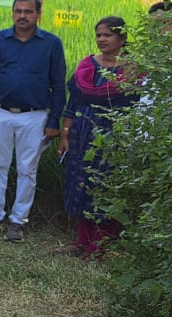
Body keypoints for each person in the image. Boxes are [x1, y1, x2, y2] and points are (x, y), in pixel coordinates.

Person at [0, 0, 67, 243]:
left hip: (34, 117)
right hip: (0, 112)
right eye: (18, 11)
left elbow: (58, 85)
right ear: (12, 13)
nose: (22, 16)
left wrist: (53, 122)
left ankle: (18, 220)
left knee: (27, 170)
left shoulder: (51, 44)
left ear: (38, 14)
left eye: (28, 11)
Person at [56, 16, 137, 257]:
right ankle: (81, 241)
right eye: (98, 35)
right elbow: (73, 104)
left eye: (107, 35)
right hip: (82, 135)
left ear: (121, 39)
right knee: (80, 184)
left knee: (105, 187)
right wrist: (65, 134)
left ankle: (100, 246)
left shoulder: (132, 71)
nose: (101, 39)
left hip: (114, 137)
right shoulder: (87, 67)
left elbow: (136, 109)